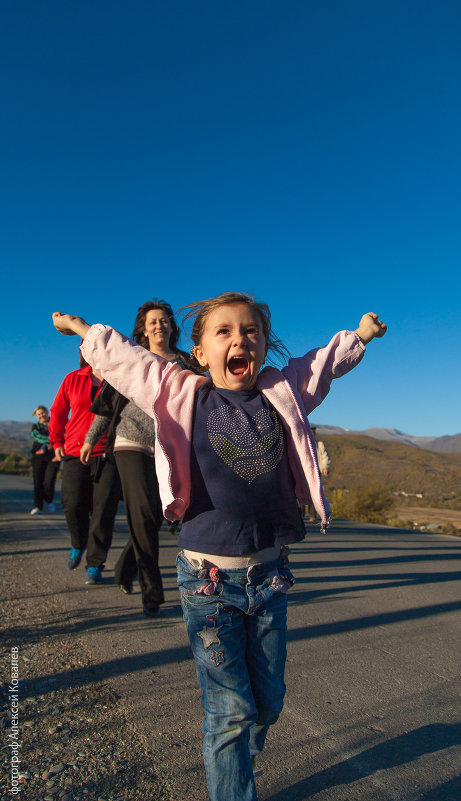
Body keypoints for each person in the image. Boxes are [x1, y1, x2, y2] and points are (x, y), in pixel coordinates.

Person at [52, 294, 387, 801]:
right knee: (229, 710)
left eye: (251, 331)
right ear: (201, 352)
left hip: (270, 579)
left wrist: (358, 338)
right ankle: (231, 772)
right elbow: (130, 361)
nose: (239, 340)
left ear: (265, 345)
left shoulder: (282, 391)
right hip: (208, 583)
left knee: (268, 701)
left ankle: (237, 754)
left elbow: (320, 366)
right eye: (224, 332)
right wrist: (83, 331)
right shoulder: (182, 392)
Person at [81, 299, 196, 617]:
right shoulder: (131, 360)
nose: (159, 325)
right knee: (144, 512)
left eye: (164, 321)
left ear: (172, 327)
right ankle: (152, 592)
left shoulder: (186, 364)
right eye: (153, 322)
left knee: (159, 514)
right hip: (129, 442)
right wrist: (92, 438)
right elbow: (109, 402)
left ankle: (123, 569)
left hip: (167, 447)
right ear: (144, 330)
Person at [48, 352, 122, 585]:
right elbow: (58, 412)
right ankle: (78, 543)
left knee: (103, 511)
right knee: (72, 503)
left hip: (108, 453)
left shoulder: (119, 379)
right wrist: (56, 441)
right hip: (74, 451)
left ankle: (94, 563)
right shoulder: (72, 379)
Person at [29, 406, 60, 515]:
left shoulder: (55, 423)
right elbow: (37, 437)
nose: (41, 416)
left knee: (49, 481)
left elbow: (62, 434)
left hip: (53, 457)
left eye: (43, 413)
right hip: (38, 457)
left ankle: (49, 500)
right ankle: (37, 506)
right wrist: (52, 440)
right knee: (38, 482)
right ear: (36, 416)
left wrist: (55, 442)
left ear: (47, 412)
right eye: (39, 415)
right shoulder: (36, 426)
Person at [304, 425, 330, 522]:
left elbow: (324, 456)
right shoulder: (302, 442)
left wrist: (325, 467)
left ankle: (312, 515)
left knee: (315, 493)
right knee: (300, 491)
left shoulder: (319, 444)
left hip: (315, 471)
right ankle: (301, 514)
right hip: (303, 470)